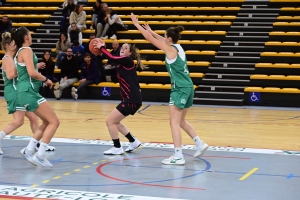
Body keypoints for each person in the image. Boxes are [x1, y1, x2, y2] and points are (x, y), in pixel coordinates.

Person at [130, 13, 209, 165]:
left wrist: (137, 25)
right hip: (188, 86)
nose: (163, 38)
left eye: (164, 36)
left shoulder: (170, 50)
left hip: (179, 88)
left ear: (169, 39)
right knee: (181, 121)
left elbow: (151, 40)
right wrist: (152, 31)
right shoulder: (177, 46)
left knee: (173, 122)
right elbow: (158, 38)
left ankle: (178, 155)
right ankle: (199, 143)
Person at [11, 27, 60, 167]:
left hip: (24, 91)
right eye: (30, 35)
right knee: (54, 122)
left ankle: (29, 149)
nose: (31, 37)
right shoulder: (26, 50)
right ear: (26, 37)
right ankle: (40, 155)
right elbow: (32, 72)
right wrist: (46, 79)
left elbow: (21, 72)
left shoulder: (19, 52)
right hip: (28, 91)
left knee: (46, 122)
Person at [93, 39, 145, 155]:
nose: (122, 49)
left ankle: (117, 147)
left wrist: (102, 48)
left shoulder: (128, 61)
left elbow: (113, 58)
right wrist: (98, 56)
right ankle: (133, 141)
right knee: (116, 122)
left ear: (130, 53)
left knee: (109, 121)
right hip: (131, 99)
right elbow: (103, 72)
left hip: (132, 98)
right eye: (122, 48)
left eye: (125, 48)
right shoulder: (120, 67)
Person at [0, 32, 39, 155]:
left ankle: (36, 144)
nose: (15, 45)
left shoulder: (11, 58)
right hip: (13, 91)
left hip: (17, 90)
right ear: (7, 46)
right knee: (19, 121)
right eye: (12, 43)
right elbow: (11, 75)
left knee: (34, 117)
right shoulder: (7, 59)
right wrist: (22, 68)